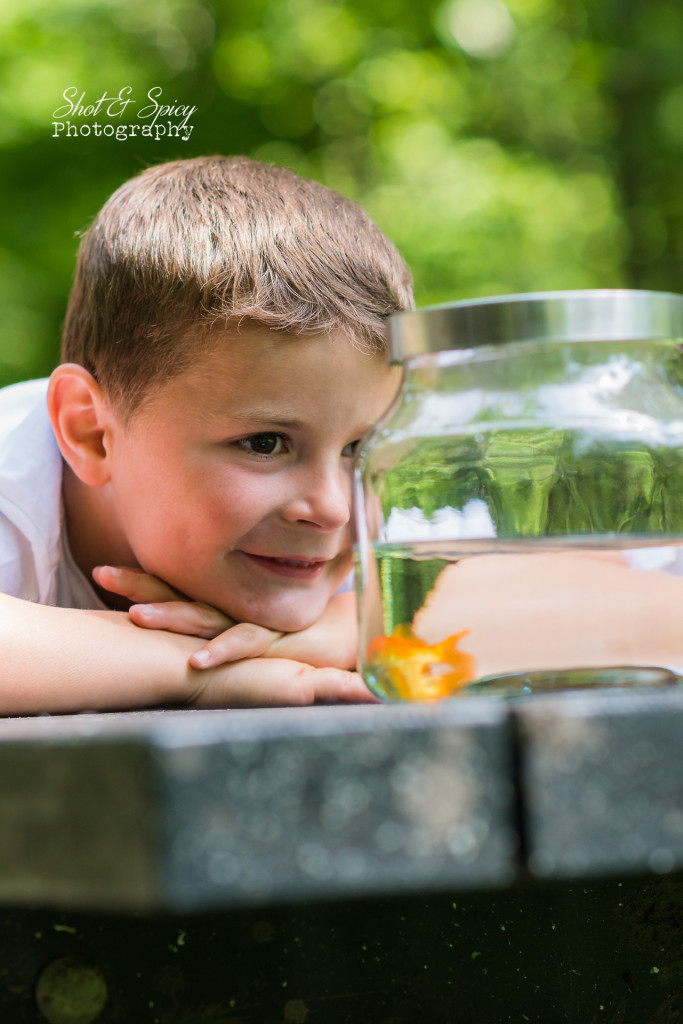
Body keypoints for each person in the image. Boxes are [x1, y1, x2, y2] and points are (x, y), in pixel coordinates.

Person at [0, 155, 413, 714]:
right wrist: (198, 666)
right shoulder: (12, 485)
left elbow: (558, 584)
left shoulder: (365, 516)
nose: (333, 509)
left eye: (360, 448)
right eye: (264, 442)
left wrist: (347, 628)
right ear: (92, 432)